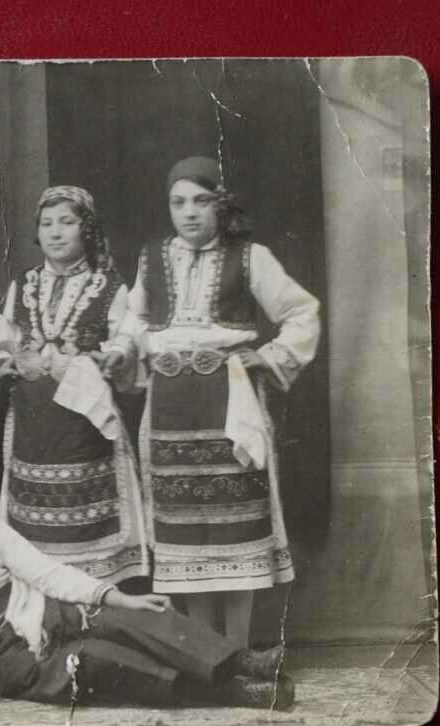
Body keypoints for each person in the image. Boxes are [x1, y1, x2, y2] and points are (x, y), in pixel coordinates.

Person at [0, 436, 295, 710]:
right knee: (91, 661)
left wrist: (120, 597)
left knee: (132, 616)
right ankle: (230, 693)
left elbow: (48, 574)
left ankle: (242, 662)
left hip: (42, 609)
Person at [107, 156, 321, 645]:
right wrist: (120, 349)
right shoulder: (152, 257)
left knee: (234, 528)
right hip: (169, 407)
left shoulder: (251, 257)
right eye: (178, 202)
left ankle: (239, 651)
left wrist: (268, 357)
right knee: (185, 531)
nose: (189, 213)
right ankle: (208, 655)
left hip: (230, 401)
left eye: (201, 201)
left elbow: (301, 312)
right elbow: (135, 320)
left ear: (219, 204)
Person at [0, 185, 148, 582]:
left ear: (87, 230)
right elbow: (2, 342)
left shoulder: (110, 287)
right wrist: (7, 361)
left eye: (67, 222)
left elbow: (128, 339)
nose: (55, 232)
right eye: (46, 224)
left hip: (85, 426)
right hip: (32, 425)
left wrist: (114, 355)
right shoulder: (23, 285)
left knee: (89, 527)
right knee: (34, 539)